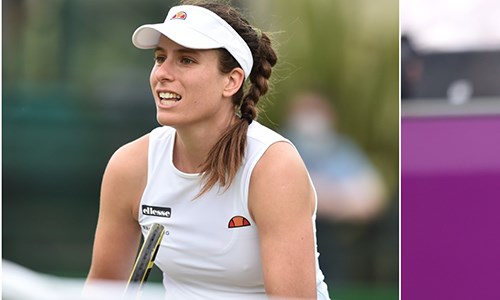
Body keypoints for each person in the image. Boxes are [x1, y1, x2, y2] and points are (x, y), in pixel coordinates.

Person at [86, 1, 330, 299]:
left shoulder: (273, 166)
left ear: (231, 81)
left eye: (186, 60)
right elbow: (102, 291)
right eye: (160, 58)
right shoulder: (130, 165)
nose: (162, 72)